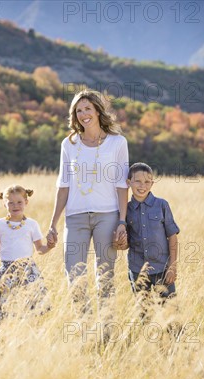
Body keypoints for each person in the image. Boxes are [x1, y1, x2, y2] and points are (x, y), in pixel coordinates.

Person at [47, 89, 129, 315]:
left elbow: (122, 184)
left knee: (105, 277)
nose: (83, 114)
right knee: (74, 275)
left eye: (87, 109)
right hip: (75, 218)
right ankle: (86, 329)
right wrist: (53, 223)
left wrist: (122, 221)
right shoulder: (69, 144)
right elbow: (63, 184)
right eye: (78, 110)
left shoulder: (117, 143)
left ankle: (107, 334)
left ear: (98, 111)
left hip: (108, 216)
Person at [118, 162, 179, 312]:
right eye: (137, 181)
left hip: (162, 269)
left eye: (147, 182)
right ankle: (147, 336)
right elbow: (126, 244)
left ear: (152, 183)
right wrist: (121, 242)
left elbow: (172, 236)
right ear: (128, 182)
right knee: (144, 313)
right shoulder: (126, 210)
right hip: (137, 269)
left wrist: (172, 267)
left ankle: (176, 336)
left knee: (170, 313)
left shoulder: (161, 205)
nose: (142, 185)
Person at [0, 185, 54, 321]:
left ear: (26, 202)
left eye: (19, 202)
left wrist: (49, 246)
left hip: (27, 268)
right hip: (7, 268)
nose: (15, 206)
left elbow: (40, 249)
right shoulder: (0, 224)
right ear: (4, 204)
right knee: (3, 304)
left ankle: (29, 329)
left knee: (31, 303)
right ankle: (2, 331)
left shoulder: (31, 224)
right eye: (10, 203)